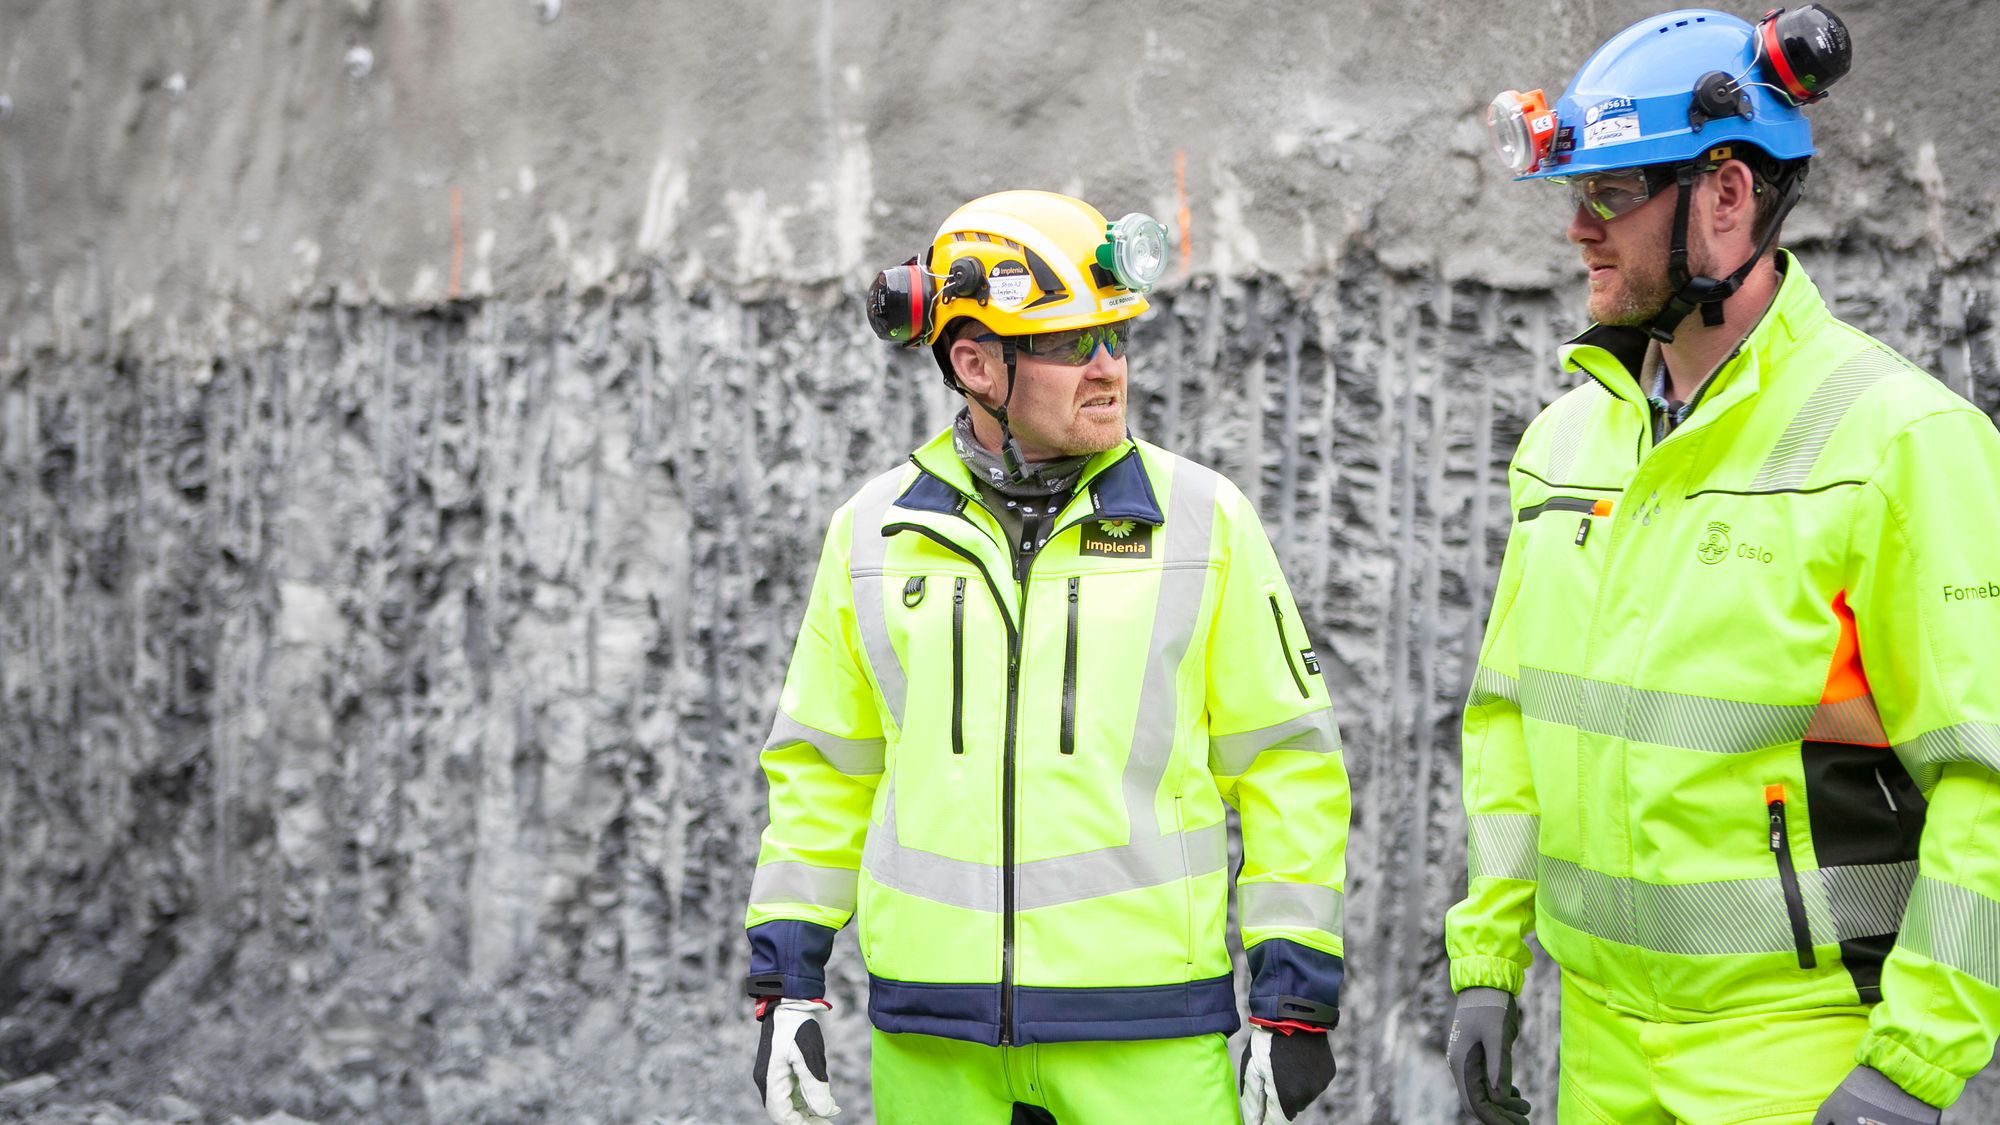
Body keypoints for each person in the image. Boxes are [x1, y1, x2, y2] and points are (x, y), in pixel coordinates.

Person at [1444, 7, 2000, 1125]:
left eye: (1608, 194)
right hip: (1596, 1052)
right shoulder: (1563, 445)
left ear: (1726, 195)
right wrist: (1485, 963)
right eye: (1573, 194)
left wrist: (1910, 1063)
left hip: (1798, 1060)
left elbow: (1983, 784)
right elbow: (1509, 722)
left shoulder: (1898, 442)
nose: (1578, 231)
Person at [742, 190, 1352, 1125]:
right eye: (1071, 344)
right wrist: (787, 984)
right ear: (976, 362)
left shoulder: (1203, 521)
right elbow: (824, 770)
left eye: (1115, 336)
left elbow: (1287, 765)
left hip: (1147, 1038)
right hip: (932, 1041)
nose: (1108, 367)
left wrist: (1295, 1001)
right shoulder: (872, 533)